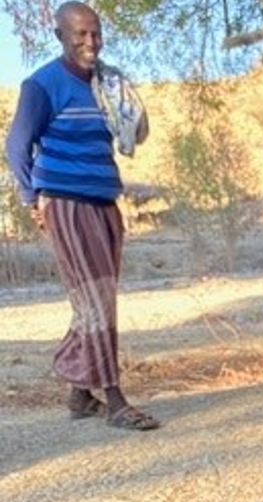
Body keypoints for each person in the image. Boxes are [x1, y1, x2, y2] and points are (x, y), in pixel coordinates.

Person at [5, 1, 159, 431]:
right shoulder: (42, 85)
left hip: (105, 202)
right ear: (60, 36)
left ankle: (78, 393)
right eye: (80, 34)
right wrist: (31, 199)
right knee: (96, 300)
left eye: (96, 33)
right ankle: (115, 399)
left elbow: (132, 131)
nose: (90, 42)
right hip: (65, 202)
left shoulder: (107, 83)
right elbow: (17, 146)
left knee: (97, 299)